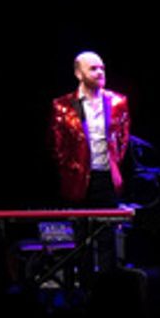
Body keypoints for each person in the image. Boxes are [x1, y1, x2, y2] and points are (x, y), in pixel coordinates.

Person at [51, 51, 130, 206]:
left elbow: (123, 139)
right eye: (93, 69)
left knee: (108, 227)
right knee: (80, 228)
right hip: (77, 181)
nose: (100, 73)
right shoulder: (62, 105)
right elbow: (57, 146)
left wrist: (114, 164)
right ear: (79, 74)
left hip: (108, 180)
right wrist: (73, 167)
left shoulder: (118, 102)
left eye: (102, 68)